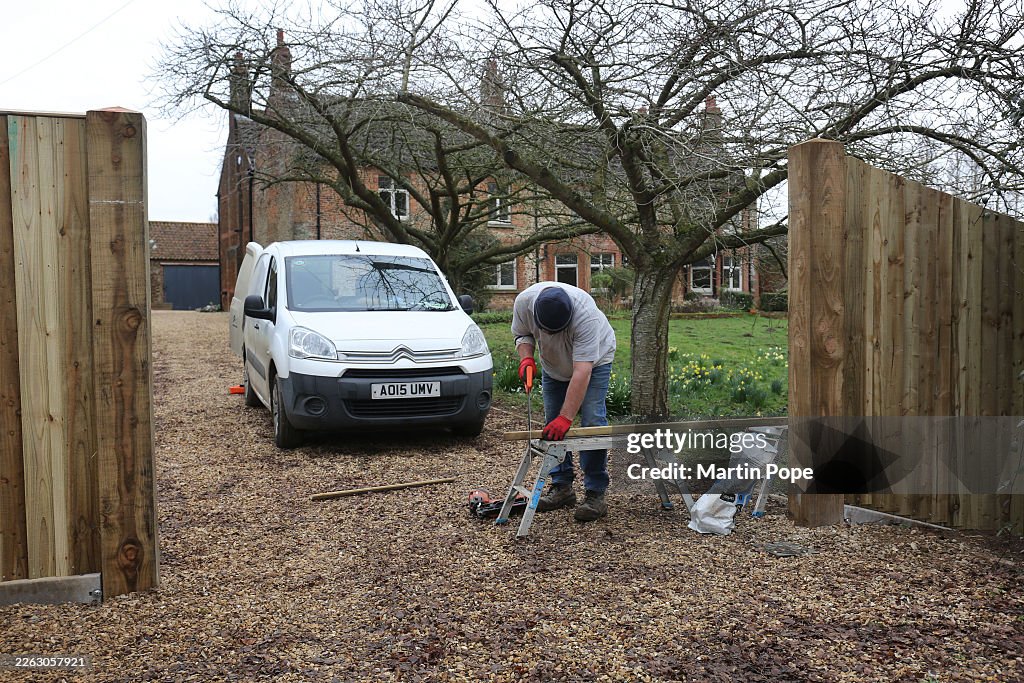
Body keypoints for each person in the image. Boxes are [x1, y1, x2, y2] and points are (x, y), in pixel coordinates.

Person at [512, 282, 617, 521]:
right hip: (553, 367)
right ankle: (562, 487)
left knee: (592, 421)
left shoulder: (586, 316)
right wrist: (526, 358)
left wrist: (567, 417)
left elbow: (582, 372)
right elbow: (522, 334)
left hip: (594, 362)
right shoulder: (524, 303)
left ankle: (595, 493)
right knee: (552, 425)